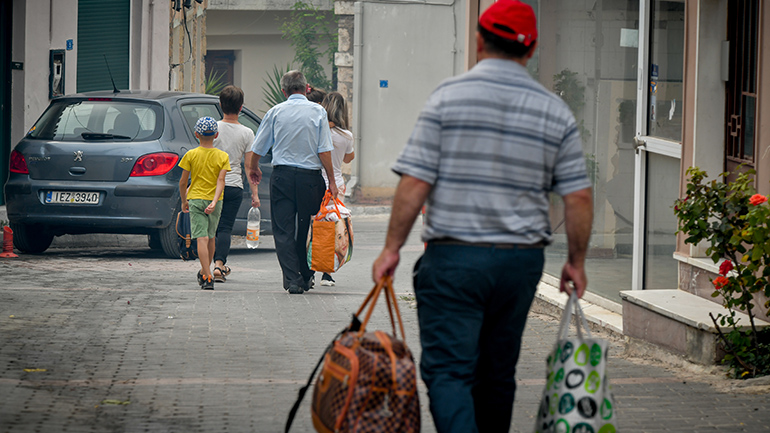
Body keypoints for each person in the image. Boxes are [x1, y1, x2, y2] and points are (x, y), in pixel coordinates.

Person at [371, 1, 594, 432]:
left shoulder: (446, 99)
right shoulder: (555, 112)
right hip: (520, 263)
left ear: (478, 42)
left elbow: (415, 184)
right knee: (496, 373)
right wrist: (577, 262)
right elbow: (579, 199)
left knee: (449, 372)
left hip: (454, 261)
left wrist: (391, 249)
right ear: (530, 51)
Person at [248, 70, 338, 295]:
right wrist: (332, 182)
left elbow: (258, 147)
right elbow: (325, 151)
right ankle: (307, 275)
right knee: (308, 227)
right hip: (310, 179)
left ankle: (293, 278)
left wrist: (254, 167)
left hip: (283, 178)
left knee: (283, 229)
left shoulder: (275, 112)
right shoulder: (318, 111)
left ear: (283, 90)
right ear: (307, 88)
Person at [211, 85, 259, 283]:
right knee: (225, 228)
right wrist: (255, 194)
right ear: (241, 108)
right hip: (233, 186)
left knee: (209, 229)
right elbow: (249, 167)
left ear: (220, 105)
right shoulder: (247, 133)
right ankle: (219, 265)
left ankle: (207, 267)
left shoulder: (212, 128)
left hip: (211, 186)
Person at [179, 117, 232, 290]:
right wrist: (215, 201)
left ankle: (207, 275)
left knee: (200, 238)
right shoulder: (222, 156)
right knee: (210, 238)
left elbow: (182, 182)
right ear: (216, 135)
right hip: (215, 201)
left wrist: (184, 200)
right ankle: (205, 272)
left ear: (196, 134)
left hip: (195, 199)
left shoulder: (191, 155)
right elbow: (221, 180)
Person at [318, 91, 355, 286]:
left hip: (317, 182)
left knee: (313, 226)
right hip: (336, 186)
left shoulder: (318, 131)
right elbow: (349, 157)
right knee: (332, 228)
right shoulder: (346, 136)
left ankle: (308, 266)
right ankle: (326, 272)